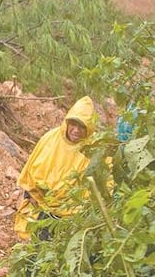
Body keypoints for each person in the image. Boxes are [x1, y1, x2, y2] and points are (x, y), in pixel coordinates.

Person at [13, 95, 104, 239]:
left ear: (89, 128)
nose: (76, 130)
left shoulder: (94, 149)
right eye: (73, 124)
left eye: (82, 126)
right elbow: (31, 169)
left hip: (73, 217)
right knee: (38, 249)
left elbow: (103, 185)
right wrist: (29, 195)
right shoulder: (50, 139)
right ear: (67, 122)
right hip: (43, 208)